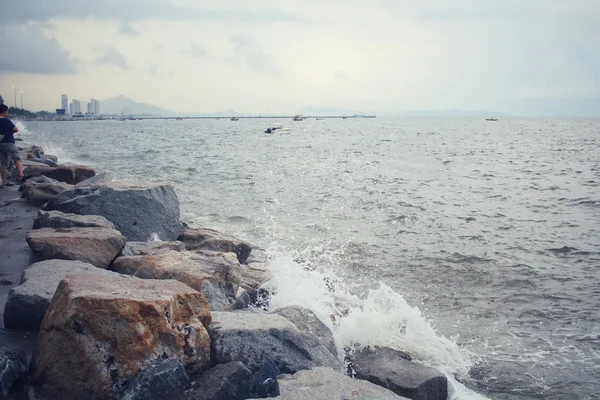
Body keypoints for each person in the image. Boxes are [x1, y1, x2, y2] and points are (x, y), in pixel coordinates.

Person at [0, 104, 24, 186]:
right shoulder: (6, 120)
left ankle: (4, 181)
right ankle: (21, 175)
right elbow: (16, 129)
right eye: (7, 111)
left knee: (3, 162)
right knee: (17, 157)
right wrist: (11, 132)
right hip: (8, 142)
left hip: (0, 143)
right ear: (4, 112)